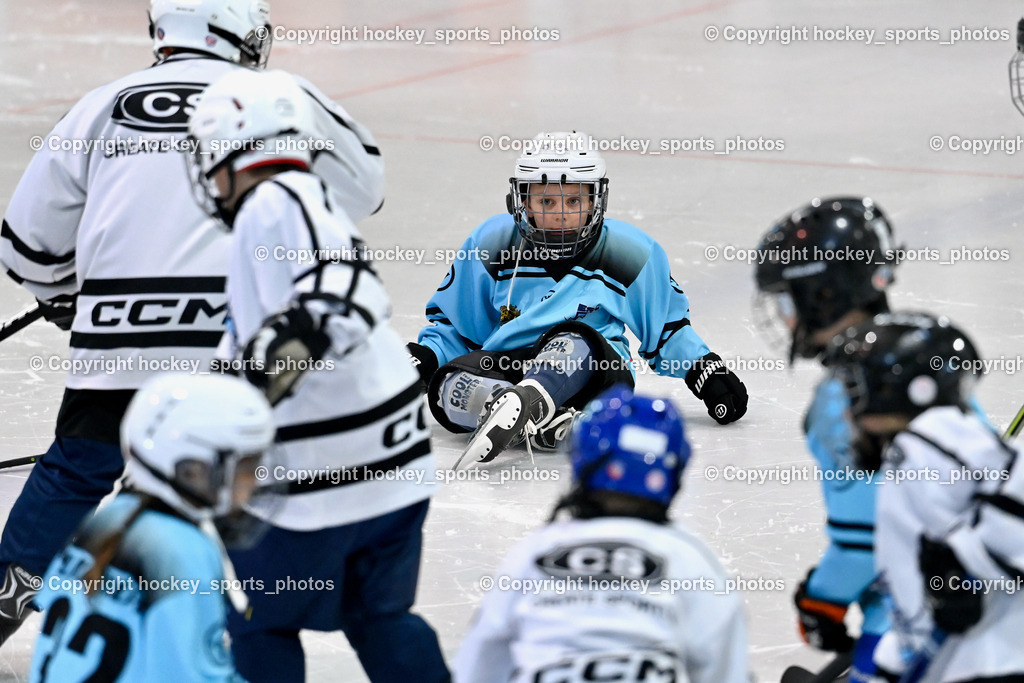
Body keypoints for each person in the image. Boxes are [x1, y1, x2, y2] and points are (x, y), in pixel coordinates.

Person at [0, 0, 384, 643]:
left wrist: (68, 296)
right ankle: (232, 633)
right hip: (242, 344)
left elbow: (25, 244)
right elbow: (364, 188)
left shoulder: (100, 104)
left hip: (116, 338)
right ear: (242, 33)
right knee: (247, 483)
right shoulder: (276, 97)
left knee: (77, 467)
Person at [187, 68, 448, 683]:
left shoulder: (277, 199)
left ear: (236, 146)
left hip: (323, 475)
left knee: (257, 620)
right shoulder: (299, 197)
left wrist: (260, 383)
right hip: (397, 466)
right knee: (379, 615)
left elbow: (342, 289)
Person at [408, 131, 748, 467]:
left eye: (573, 201)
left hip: (594, 371)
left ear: (594, 201)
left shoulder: (629, 251)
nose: (560, 214)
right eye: (546, 202)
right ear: (523, 201)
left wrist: (705, 371)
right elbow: (459, 330)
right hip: (505, 368)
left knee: (572, 339)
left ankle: (529, 404)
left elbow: (667, 329)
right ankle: (530, 417)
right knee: (449, 387)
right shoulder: (492, 242)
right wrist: (427, 357)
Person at [453, 385, 750, 683]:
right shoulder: (689, 557)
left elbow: (478, 666)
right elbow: (726, 670)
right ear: (674, 471)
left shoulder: (535, 551)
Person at [29, 372, 275, 683]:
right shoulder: (183, 553)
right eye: (245, 469)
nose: (254, 483)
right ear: (193, 469)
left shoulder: (104, 523)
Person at [827, 312, 1024, 682]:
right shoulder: (908, 455)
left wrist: (967, 562)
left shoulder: (931, 437)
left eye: (856, 390)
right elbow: (911, 611)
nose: (847, 410)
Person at [753, 196, 898, 679]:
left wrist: (822, 602)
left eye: (787, 301)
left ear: (824, 294)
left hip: (933, 632)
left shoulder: (840, 404)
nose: (784, 318)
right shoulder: (921, 355)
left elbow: (863, 547)